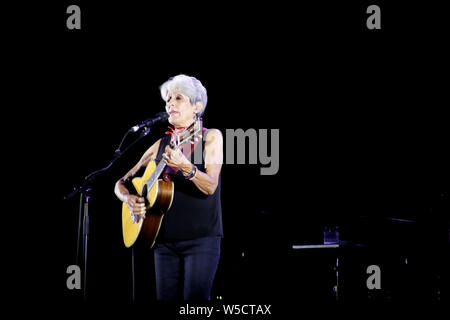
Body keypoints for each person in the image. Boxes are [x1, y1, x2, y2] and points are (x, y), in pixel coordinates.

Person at [114, 74, 223, 301]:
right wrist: (128, 199)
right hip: (162, 241)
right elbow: (121, 182)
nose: (170, 104)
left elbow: (211, 186)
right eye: (168, 99)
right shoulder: (160, 145)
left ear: (197, 107)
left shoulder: (210, 137)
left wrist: (186, 167)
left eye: (179, 98)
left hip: (200, 240)